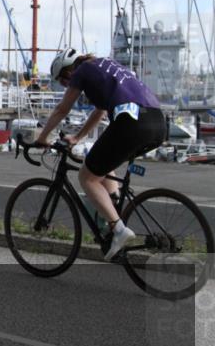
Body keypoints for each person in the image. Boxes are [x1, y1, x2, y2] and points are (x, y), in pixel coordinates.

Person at [35, 48, 166, 261]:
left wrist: (42, 137)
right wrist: (77, 137)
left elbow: (62, 109)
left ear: (68, 71)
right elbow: (100, 111)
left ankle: (119, 230)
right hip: (157, 122)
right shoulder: (105, 66)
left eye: (63, 81)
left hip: (131, 123)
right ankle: (114, 201)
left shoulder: (82, 70)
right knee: (101, 163)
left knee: (87, 178)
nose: (66, 85)